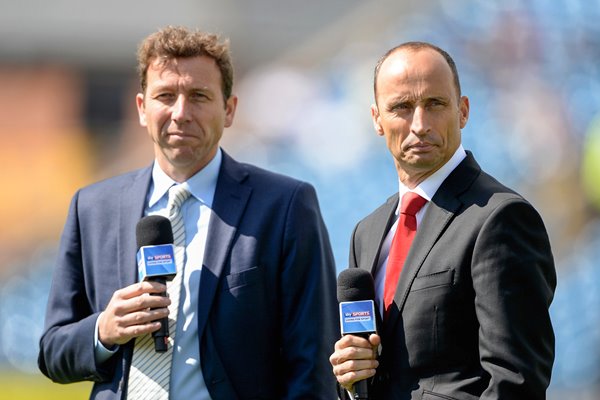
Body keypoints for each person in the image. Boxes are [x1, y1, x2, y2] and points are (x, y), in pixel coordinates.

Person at [38, 26, 338, 400]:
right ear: (142, 109)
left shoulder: (285, 205)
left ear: (228, 110)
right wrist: (103, 330)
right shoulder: (92, 207)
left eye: (198, 96)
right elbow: (52, 351)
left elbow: (313, 361)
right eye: (165, 95)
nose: (181, 113)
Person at [329, 42, 556, 399]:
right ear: (376, 119)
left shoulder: (501, 217)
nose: (419, 124)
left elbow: (516, 381)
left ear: (462, 111)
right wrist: (351, 377)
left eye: (434, 104)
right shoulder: (367, 232)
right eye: (401, 107)